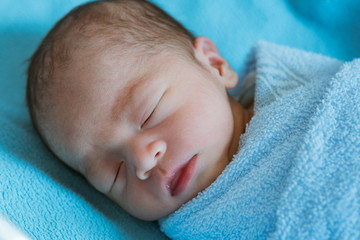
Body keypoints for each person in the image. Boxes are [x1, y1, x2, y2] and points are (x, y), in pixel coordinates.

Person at [26, 0, 253, 221]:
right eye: (114, 174)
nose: (143, 162)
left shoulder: (284, 92)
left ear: (214, 64)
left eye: (150, 113)